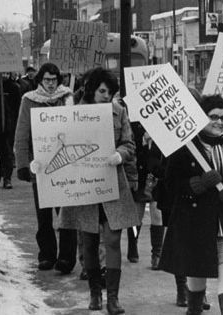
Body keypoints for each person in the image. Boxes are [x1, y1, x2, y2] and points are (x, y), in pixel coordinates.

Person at [159, 94, 223, 315]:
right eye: (213, 116)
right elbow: (171, 183)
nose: (219, 122)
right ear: (201, 117)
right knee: (196, 269)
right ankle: (194, 310)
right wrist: (198, 184)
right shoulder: (185, 146)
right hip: (194, 219)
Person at [57, 67, 140, 314]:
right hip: (85, 187)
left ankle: (113, 298)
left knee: (113, 240)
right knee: (90, 242)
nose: (106, 96)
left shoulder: (119, 112)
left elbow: (129, 143)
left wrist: (120, 154)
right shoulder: (74, 112)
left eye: (110, 92)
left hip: (113, 184)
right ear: (92, 89)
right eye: (103, 91)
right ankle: (95, 294)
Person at [14, 62, 78, 274]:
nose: (51, 84)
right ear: (40, 80)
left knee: (66, 215)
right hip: (40, 167)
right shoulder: (29, 100)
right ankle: (47, 255)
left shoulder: (68, 98)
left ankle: (66, 258)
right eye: (46, 80)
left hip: (65, 165)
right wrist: (22, 164)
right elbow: (22, 133)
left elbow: (77, 126)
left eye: (54, 79)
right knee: (44, 215)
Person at [0, 73, 21, 189]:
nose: (4, 74)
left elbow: (18, 108)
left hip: (9, 125)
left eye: (7, 72)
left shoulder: (14, 87)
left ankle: (7, 178)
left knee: (8, 152)